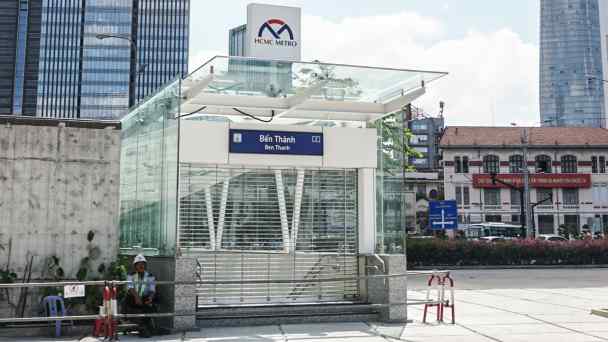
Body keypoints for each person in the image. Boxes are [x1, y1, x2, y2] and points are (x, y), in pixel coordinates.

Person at [124, 254, 156, 338]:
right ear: (135, 266)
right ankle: (142, 327)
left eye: (143, 264)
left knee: (150, 305)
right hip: (133, 298)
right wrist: (136, 297)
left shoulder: (150, 276)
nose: (141, 266)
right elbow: (130, 287)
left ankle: (144, 327)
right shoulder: (130, 275)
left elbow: (152, 290)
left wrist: (150, 298)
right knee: (127, 299)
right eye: (139, 264)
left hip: (144, 298)